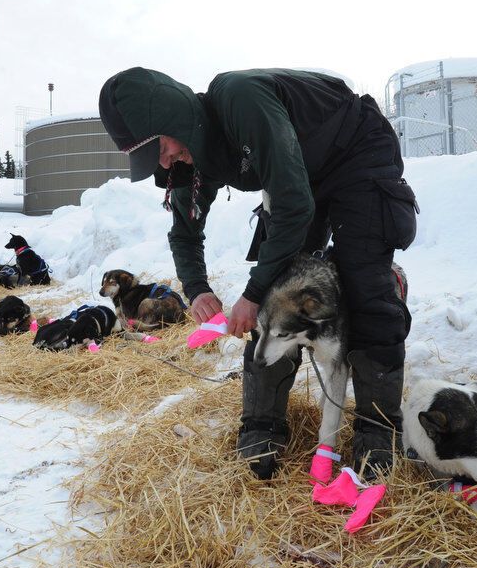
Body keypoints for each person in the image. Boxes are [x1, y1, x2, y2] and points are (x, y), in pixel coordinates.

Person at [99, 67, 417, 480]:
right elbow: (185, 231)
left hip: (354, 152)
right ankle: (262, 423)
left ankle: (377, 430)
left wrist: (251, 294)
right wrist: (197, 289)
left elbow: (293, 205)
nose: (163, 161)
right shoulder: (188, 154)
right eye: (151, 158)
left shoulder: (241, 100)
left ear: (175, 119)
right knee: (277, 294)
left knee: (363, 286)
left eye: (160, 147)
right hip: (298, 175)